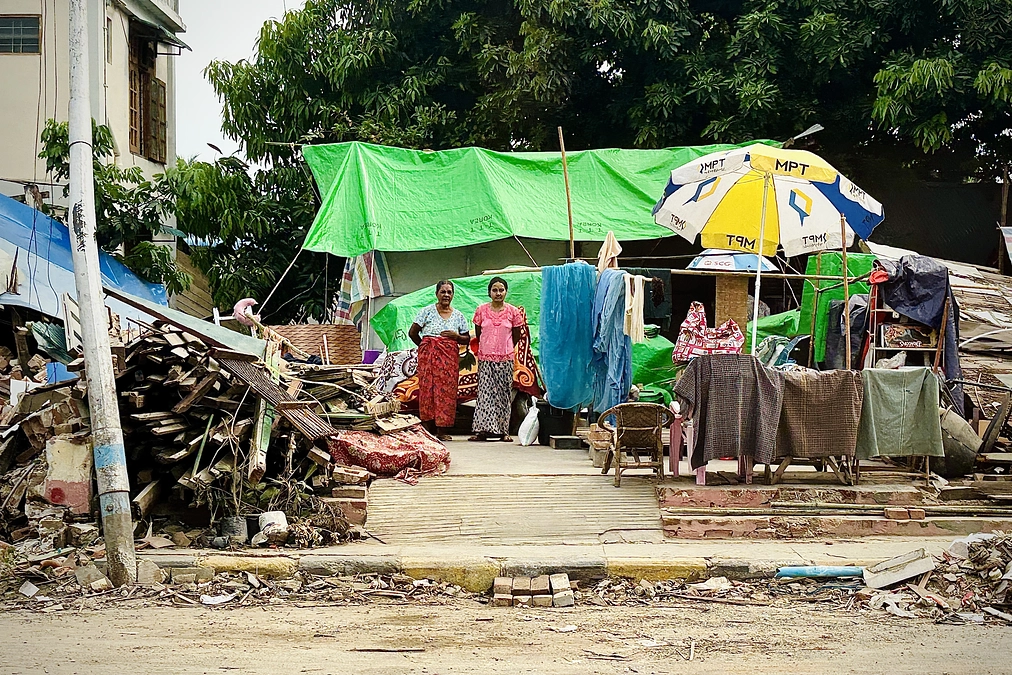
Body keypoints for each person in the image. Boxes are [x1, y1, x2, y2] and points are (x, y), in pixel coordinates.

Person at [409, 280, 470, 440]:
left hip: (448, 359)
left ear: (453, 295)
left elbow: (466, 339)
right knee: (427, 390)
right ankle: (427, 428)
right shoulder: (426, 312)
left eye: (449, 292)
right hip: (428, 356)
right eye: (443, 292)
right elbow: (413, 332)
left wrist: (456, 337)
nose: (446, 295)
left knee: (447, 391)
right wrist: (426, 347)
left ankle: (442, 430)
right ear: (437, 294)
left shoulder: (458, 316)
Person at [469, 277, 524, 442]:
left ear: (506, 292)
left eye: (501, 290)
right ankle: (482, 431)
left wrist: (504, 348)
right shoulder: (481, 310)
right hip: (485, 358)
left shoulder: (513, 312)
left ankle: (503, 431)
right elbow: (479, 333)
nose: (498, 293)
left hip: (506, 358)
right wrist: (488, 347)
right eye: (495, 290)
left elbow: (516, 335)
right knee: (485, 394)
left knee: (504, 394)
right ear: (489, 292)